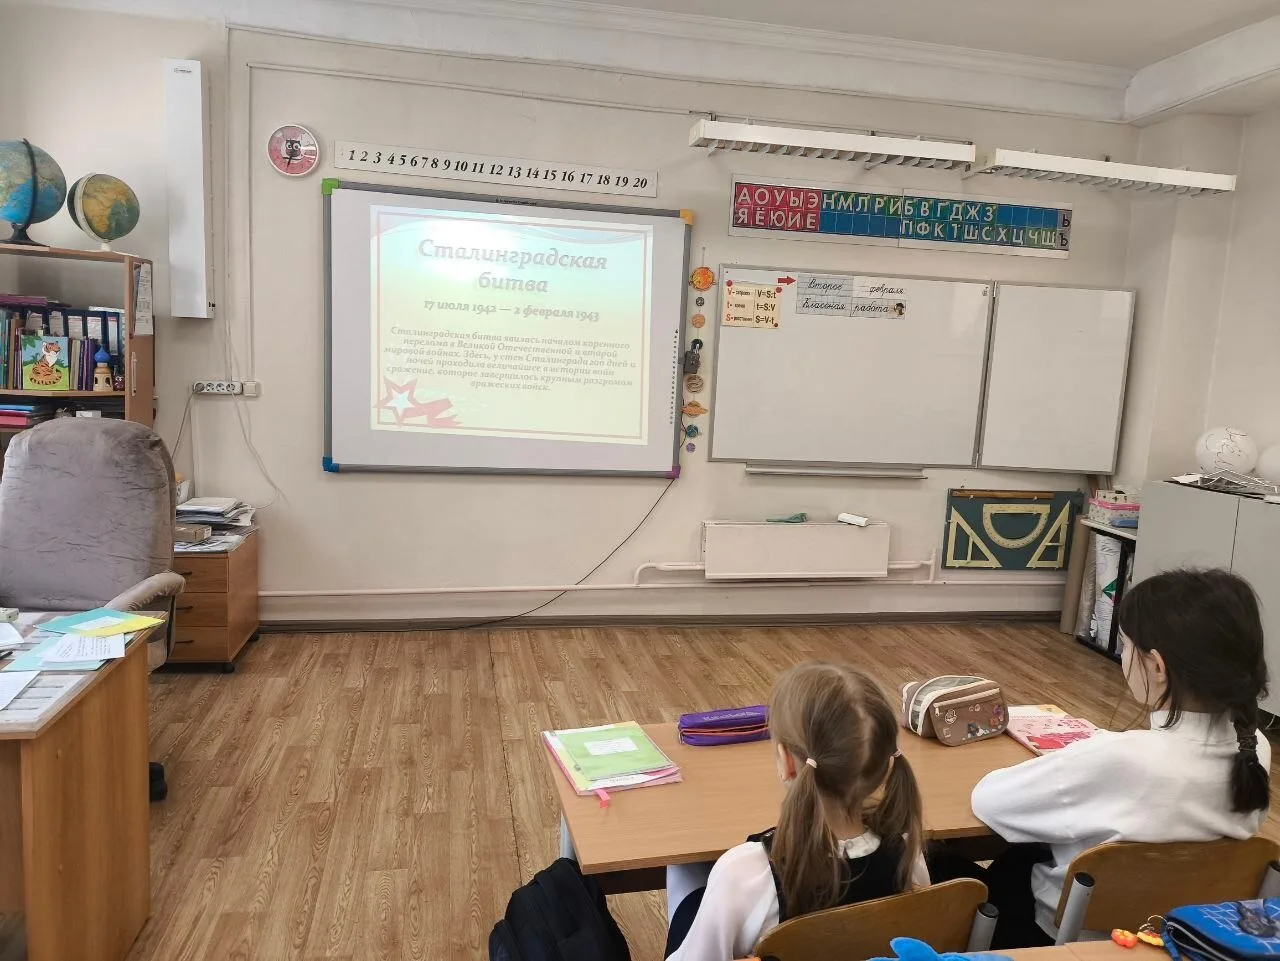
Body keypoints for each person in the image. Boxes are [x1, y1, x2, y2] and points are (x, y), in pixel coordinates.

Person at [967, 568, 1272, 947]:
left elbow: (989, 800)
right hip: (1186, 937)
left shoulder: (1120, 757)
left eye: (1126, 646)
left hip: (1076, 940)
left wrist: (1080, 757)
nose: (1124, 657)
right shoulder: (1254, 748)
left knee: (954, 872)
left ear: (1157, 667)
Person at [665, 662, 929, 961]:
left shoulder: (745, 873)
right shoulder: (908, 854)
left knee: (683, 870)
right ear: (887, 765)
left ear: (787, 762)